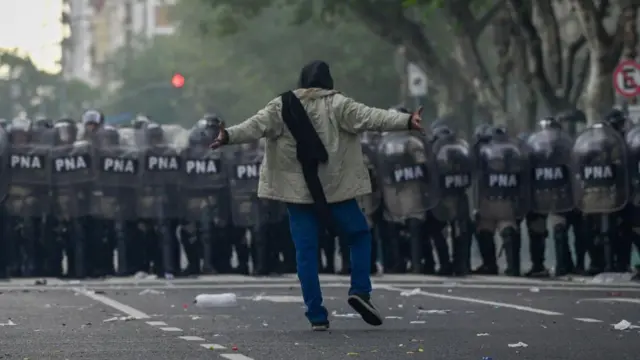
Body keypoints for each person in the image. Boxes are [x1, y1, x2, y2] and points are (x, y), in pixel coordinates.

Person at [210, 60, 423, 331]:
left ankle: (316, 314)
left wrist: (227, 136)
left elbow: (255, 126)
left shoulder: (281, 105)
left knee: (306, 253)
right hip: (335, 191)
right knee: (359, 235)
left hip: (298, 195)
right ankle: (360, 290)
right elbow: (372, 117)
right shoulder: (339, 104)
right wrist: (407, 121)